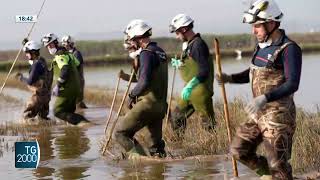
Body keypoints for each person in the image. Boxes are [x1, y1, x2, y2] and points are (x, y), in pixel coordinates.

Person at [216, 0, 302, 179]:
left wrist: (264, 97)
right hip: (258, 114)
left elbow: (293, 83)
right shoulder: (262, 47)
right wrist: (230, 78)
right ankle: (266, 175)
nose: (253, 31)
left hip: (279, 118)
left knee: (278, 166)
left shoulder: (289, 49)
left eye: (257, 26)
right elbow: (254, 72)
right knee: (238, 150)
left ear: (271, 23)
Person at [113, 20, 168, 158]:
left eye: (132, 40)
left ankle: (141, 163)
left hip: (147, 105)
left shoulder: (146, 53)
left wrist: (131, 96)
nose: (131, 43)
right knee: (156, 148)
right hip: (161, 106)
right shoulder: (160, 51)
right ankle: (159, 168)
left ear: (138, 37)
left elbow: (143, 81)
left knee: (120, 133)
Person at [169, 14, 215, 136]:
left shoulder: (198, 45)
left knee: (208, 125)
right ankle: (179, 147)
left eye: (177, 33)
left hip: (200, 91)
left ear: (184, 29)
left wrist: (190, 85)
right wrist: (180, 64)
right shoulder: (190, 45)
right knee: (175, 117)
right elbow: (193, 64)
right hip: (190, 91)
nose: (177, 36)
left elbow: (204, 71)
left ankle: (215, 151)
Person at [41, 33, 89, 125]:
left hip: (67, 90)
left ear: (55, 43)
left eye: (50, 45)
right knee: (69, 113)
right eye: (47, 47)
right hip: (76, 88)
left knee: (57, 111)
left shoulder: (59, 56)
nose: (49, 48)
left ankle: (84, 123)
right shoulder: (69, 54)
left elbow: (65, 68)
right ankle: (77, 131)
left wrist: (58, 85)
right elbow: (77, 64)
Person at [15, 40, 52, 121]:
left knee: (25, 117)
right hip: (47, 97)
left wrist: (21, 78)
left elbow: (30, 81)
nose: (26, 54)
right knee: (43, 120)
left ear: (33, 52)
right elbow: (32, 61)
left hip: (38, 98)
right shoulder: (42, 61)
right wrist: (26, 44)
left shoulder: (36, 65)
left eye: (27, 52)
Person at [61, 35, 87, 109]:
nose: (64, 45)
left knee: (78, 103)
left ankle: (83, 117)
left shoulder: (76, 53)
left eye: (65, 44)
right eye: (63, 44)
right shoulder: (68, 54)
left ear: (70, 44)